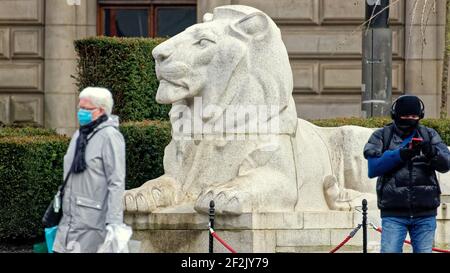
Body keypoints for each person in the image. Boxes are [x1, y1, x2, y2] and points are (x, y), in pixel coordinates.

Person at [363, 95, 450, 253]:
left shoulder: (429, 135)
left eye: (414, 116)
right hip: (393, 212)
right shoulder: (382, 135)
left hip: (425, 212)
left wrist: (432, 152)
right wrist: (400, 155)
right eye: (405, 116)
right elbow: (373, 168)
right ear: (396, 115)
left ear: (420, 116)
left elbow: (446, 165)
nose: (410, 119)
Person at [53, 87, 126, 253]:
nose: (80, 112)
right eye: (80, 107)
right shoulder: (79, 134)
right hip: (69, 220)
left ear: (101, 110)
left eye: (86, 109)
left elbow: (116, 181)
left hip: (93, 222)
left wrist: (114, 223)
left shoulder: (110, 136)